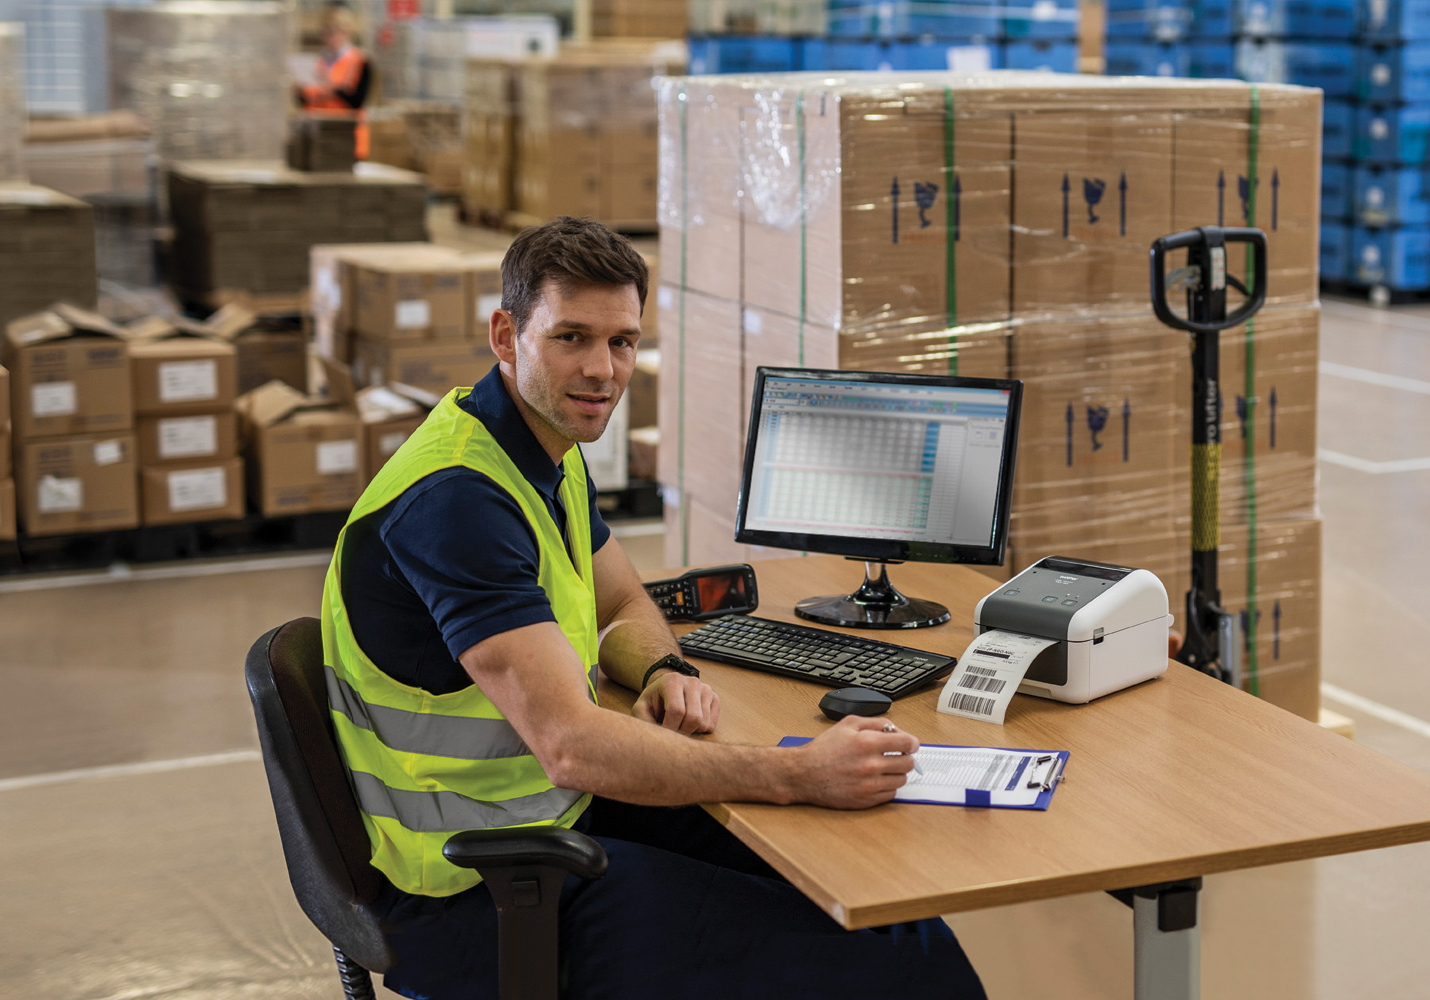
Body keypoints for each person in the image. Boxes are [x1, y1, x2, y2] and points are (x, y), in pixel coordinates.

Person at [322, 217, 987, 1000]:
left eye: (624, 342)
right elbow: (571, 745)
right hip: (479, 890)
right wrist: (797, 773)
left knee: (883, 906)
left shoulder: (539, 452)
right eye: (571, 337)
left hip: (551, 824)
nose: (602, 370)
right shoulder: (460, 499)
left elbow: (624, 597)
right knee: (896, 961)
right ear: (506, 335)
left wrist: (661, 666)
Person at [299, 4, 373, 157]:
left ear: (347, 32)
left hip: (346, 137)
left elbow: (357, 100)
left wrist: (331, 89)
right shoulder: (318, 62)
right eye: (326, 33)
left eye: (335, 32)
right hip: (318, 136)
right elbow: (304, 99)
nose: (330, 37)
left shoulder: (359, 61)